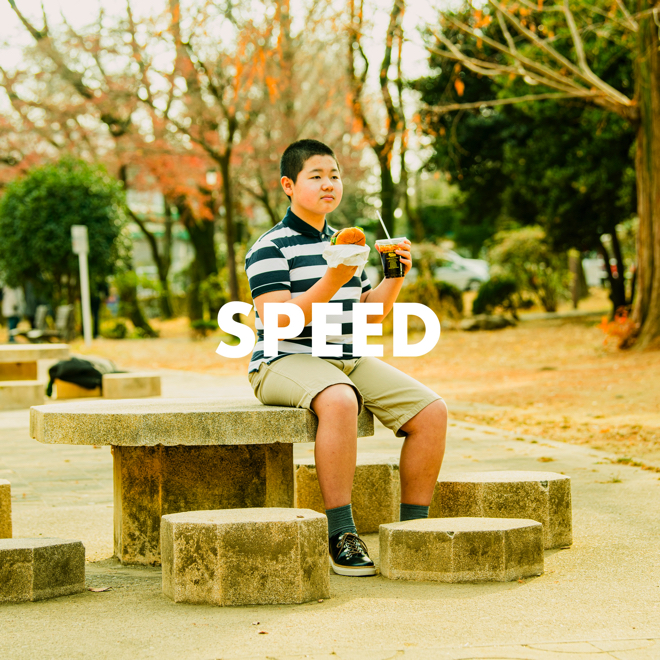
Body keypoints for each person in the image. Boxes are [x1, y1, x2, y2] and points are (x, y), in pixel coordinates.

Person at [245, 139, 448, 577]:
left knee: (431, 412)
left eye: (334, 176)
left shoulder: (347, 243)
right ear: (288, 185)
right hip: (282, 360)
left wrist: (395, 276)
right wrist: (332, 278)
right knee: (340, 399)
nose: (328, 184)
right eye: (316, 176)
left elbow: (369, 313)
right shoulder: (270, 247)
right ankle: (342, 534)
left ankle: (413, 532)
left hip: (345, 357)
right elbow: (279, 323)